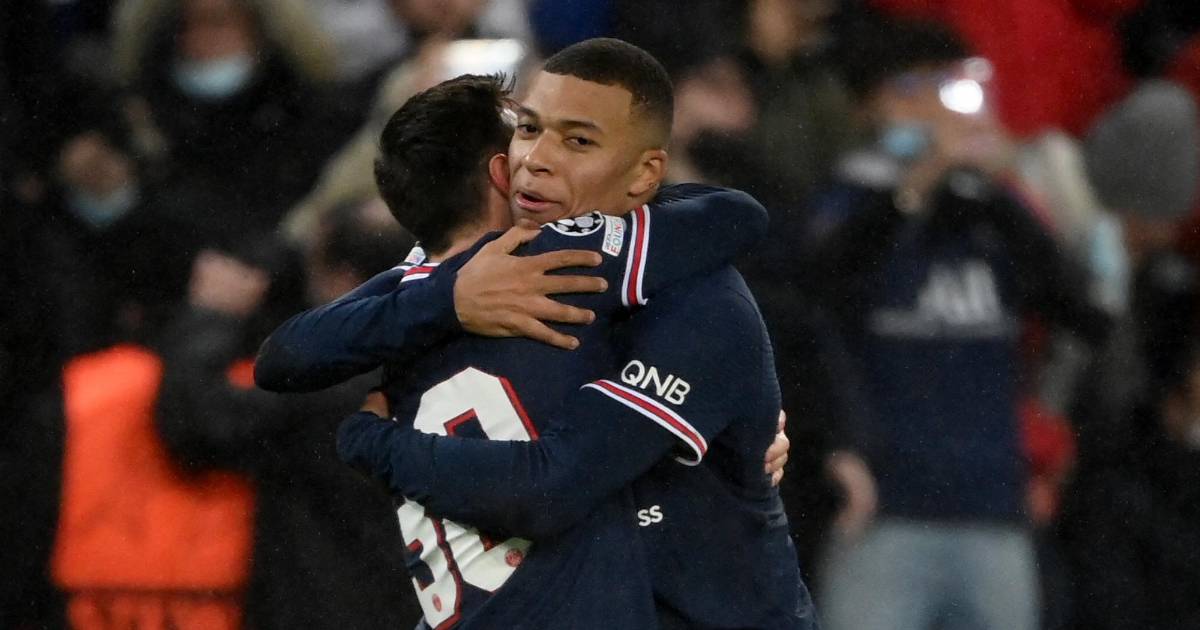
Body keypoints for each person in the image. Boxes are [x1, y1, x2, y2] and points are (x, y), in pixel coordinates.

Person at [257, 39, 810, 628]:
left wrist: (373, 443)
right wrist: (450, 302)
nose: (537, 159)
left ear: (645, 171)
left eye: (578, 141)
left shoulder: (700, 298)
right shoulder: (460, 276)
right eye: (528, 129)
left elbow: (550, 486)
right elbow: (285, 355)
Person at [805, 22, 1109, 630]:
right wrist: (914, 187)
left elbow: (1083, 314)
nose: (933, 107)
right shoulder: (845, 197)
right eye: (911, 89)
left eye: (948, 87)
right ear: (869, 106)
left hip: (991, 506)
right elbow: (822, 289)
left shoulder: (991, 211)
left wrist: (996, 189)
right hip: (883, 507)